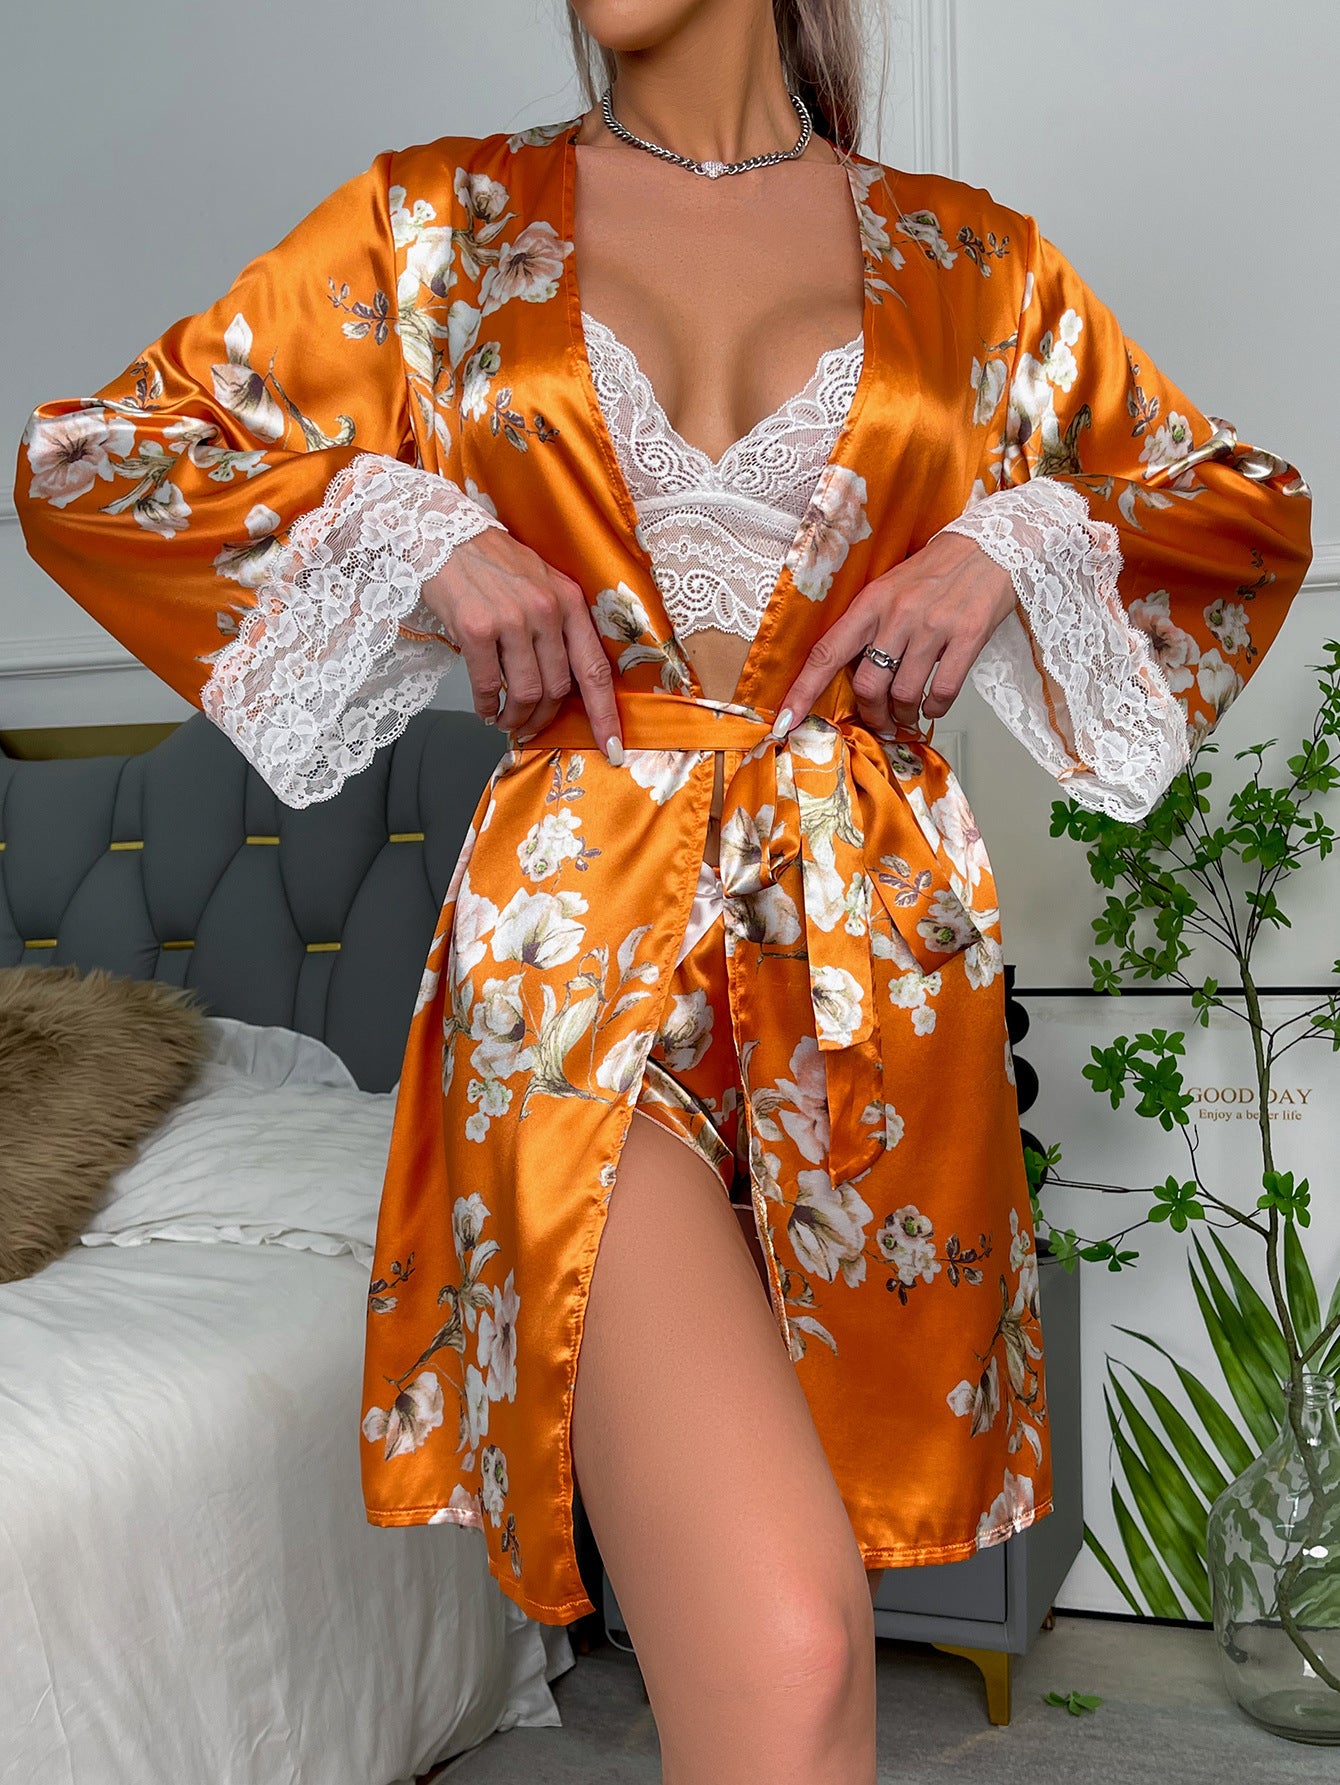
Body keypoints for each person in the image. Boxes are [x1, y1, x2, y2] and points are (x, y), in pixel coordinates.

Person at [15, 2, 1312, 1778]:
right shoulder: (437, 222)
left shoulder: (973, 259)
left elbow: (1241, 507)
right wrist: (425, 533)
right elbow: (96, 461)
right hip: (574, 965)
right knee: (791, 1642)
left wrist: (1003, 543)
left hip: (874, 984)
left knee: (810, 1665)